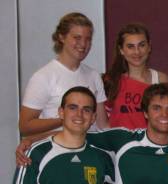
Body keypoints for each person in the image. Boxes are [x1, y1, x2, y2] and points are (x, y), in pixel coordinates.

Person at [19, 12, 108, 140]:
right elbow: (25, 126)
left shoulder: (93, 76)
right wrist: (66, 119)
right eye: (77, 38)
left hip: (89, 151)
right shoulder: (43, 77)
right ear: (61, 37)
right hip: (57, 152)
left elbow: (102, 125)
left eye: (87, 39)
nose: (83, 44)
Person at [103, 23, 168, 129]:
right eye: (130, 47)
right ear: (121, 50)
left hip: (150, 144)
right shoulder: (111, 81)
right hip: (119, 144)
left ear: (149, 46)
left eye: (142, 45)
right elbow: (103, 124)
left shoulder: (160, 79)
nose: (137, 52)